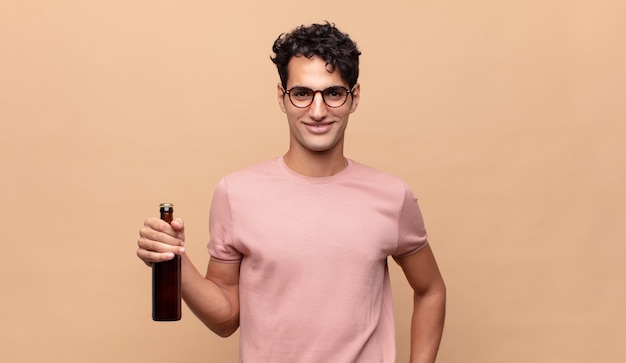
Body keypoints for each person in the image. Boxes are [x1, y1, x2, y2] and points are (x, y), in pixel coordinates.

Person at [137, 22, 446, 363]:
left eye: (333, 93)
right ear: (282, 98)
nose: (317, 111)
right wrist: (175, 260)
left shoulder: (392, 196)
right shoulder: (236, 194)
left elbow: (430, 289)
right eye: (302, 93)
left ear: (353, 97)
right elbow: (225, 319)